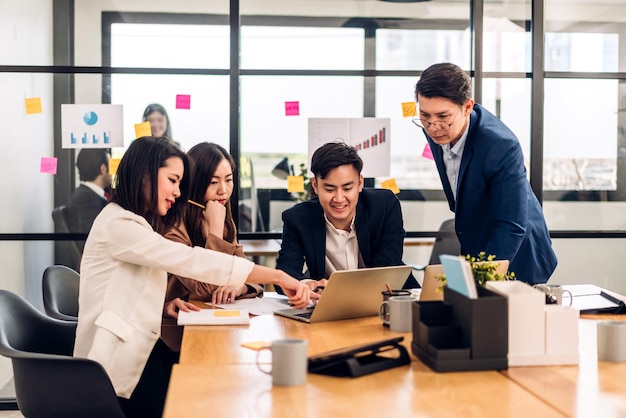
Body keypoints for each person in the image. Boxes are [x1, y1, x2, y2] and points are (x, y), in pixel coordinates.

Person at [72, 136, 315, 418]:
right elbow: (192, 261)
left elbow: (126, 287)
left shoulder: (133, 223)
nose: (177, 192)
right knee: (201, 401)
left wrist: (162, 306)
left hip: (137, 349)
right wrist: (279, 276)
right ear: (145, 176)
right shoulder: (119, 225)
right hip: (112, 367)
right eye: (173, 180)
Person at [413, 62, 557, 285]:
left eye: (443, 116)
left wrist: (483, 280)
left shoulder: (500, 146)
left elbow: (512, 225)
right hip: (476, 239)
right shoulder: (436, 128)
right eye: (425, 116)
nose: (433, 127)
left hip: (518, 253)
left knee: (505, 315)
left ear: (467, 107)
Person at [276, 141, 417, 294]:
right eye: (329, 189)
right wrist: (306, 284)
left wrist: (343, 290)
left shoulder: (384, 205)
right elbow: (284, 274)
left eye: (347, 188)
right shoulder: (297, 219)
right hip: (332, 307)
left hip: (387, 298)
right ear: (315, 186)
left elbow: (388, 266)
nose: (339, 198)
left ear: (360, 183)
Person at [161, 142, 263, 351]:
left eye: (229, 180)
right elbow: (207, 289)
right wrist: (215, 229)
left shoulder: (221, 216)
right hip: (176, 337)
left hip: (214, 325)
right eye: (213, 182)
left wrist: (238, 287)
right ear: (195, 184)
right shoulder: (174, 227)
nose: (223, 191)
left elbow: (247, 274)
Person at [65, 148, 112, 251]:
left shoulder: (88, 195)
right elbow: (92, 240)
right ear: (103, 169)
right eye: (111, 166)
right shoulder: (86, 199)